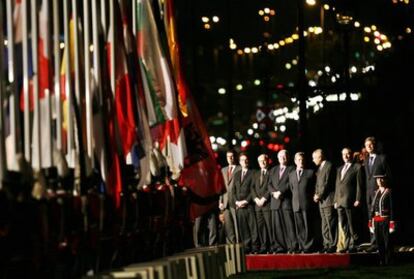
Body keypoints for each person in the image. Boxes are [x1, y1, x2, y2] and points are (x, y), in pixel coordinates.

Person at [364, 137, 392, 248]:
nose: (369, 147)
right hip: (369, 193)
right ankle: (373, 242)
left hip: (380, 193)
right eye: (367, 145)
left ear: (375, 145)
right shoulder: (366, 160)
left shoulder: (382, 158)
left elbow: (388, 175)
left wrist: (384, 188)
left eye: (371, 144)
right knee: (371, 218)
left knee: (380, 218)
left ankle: (381, 242)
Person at [334, 148, 363, 253]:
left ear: (351, 155)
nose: (345, 156)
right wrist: (335, 200)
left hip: (350, 200)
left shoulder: (357, 167)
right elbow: (337, 185)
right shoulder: (339, 169)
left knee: (352, 224)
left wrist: (358, 199)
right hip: (340, 201)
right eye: (343, 154)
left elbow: (360, 185)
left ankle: (353, 245)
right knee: (343, 224)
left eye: (348, 154)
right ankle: (345, 245)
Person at [268, 150, 296, 253]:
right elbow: (269, 184)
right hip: (275, 201)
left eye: (284, 156)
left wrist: (281, 192)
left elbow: (291, 183)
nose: (282, 158)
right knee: (278, 226)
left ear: (288, 157)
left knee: (289, 225)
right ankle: (280, 246)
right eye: (281, 156)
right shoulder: (273, 169)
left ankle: (292, 246)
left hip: (286, 201)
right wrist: (273, 193)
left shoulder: (292, 168)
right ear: (278, 158)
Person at [232, 153, 259, 254]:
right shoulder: (237, 174)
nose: (245, 161)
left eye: (246, 159)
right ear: (240, 162)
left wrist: (246, 201)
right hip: (239, 206)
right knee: (243, 228)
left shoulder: (254, 173)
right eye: (243, 160)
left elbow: (253, 189)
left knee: (253, 228)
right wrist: (237, 202)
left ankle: (255, 248)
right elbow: (233, 191)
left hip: (249, 205)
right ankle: (247, 247)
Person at [289, 152, 315, 253]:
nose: (301, 161)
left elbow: (312, 188)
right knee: (299, 226)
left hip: (306, 203)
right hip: (296, 204)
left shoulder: (310, 173)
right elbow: (292, 189)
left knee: (308, 225)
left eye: (302, 159)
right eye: (299, 160)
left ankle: (308, 246)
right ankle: (301, 246)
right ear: (295, 161)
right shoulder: (291, 175)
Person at [312, 149, 337, 253]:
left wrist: (319, 195)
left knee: (330, 223)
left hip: (328, 199)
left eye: (314, 158)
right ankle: (326, 244)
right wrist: (315, 194)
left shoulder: (329, 166)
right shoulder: (319, 168)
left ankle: (333, 244)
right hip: (321, 201)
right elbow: (318, 184)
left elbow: (327, 183)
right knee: (324, 224)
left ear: (320, 157)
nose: (313, 160)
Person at [368, 174, 395, 265]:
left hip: (385, 220)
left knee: (387, 241)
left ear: (385, 180)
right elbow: (372, 208)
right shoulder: (376, 192)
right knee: (379, 242)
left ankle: (389, 260)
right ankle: (381, 260)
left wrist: (392, 223)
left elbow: (392, 208)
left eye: (381, 179)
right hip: (376, 220)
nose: (379, 181)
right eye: (377, 179)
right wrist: (370, 222)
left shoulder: (389, 192)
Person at [219, 150, 241, 243]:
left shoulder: (240, 169)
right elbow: (221, 186)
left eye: (232, 156)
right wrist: (220, 201)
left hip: (236, 201)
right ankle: (231, 245)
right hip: (225, 202)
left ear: (235, 157)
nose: (230, 158)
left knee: (237, 224)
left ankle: (239, 244)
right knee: (228, 226)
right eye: (228, 156)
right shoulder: (223, 170)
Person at [251, 154, 272, 253]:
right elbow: (252, 188)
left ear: (268, 161)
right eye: (260, 161)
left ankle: (273, 245)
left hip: (267, 204)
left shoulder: (272, 172)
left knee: (269, 225)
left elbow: (271, 187)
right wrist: (255, 199)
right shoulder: (256, 173)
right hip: (257, 205)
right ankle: (264, 246)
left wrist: (264, 198)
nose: (262, 163)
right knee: (261, 227)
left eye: (264, 160)